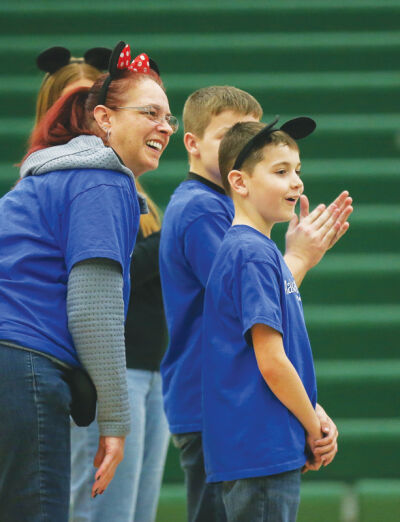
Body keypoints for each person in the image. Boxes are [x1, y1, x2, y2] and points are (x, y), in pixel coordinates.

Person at [0, 41, 174, 522]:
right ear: (103, 119)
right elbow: (92, 309)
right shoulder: (100, 181)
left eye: (169, 118)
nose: (164, 126)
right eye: (150, 113)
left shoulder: (61, 174)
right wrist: (116, 421)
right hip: (25, 366)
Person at [159, 86, 352, 521]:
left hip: (241, 412)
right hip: (232, 412)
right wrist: (311, 415)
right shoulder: (209, 214)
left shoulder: (239, 230)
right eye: (233, 134)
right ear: (192, 143)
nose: (245, 141)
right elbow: (249, 322)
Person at [202, 117, 327, 521]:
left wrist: (313, 414)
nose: (297, 183)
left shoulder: (261, 251)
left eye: (297, 171)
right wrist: (312, 427)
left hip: (264, 448)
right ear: (240, 182)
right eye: (281, 171)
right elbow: (272, 362)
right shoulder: (251, 254)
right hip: (260, 450)